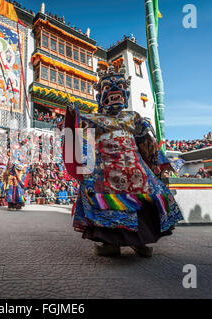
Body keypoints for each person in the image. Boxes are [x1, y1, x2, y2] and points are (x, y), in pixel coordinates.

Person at [62, 63, 183, 258]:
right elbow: (75, 133)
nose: (115, 91)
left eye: (120, 87)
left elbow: (146, 141)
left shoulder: (133, 117)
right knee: (106, 203)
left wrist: (159, 163)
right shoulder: (93, 118)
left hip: (136, 170)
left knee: (147, 199)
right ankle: (111, 245)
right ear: (99, 96)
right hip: (105, 171)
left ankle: (141, 242)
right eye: (108, 88)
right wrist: (72, 115)